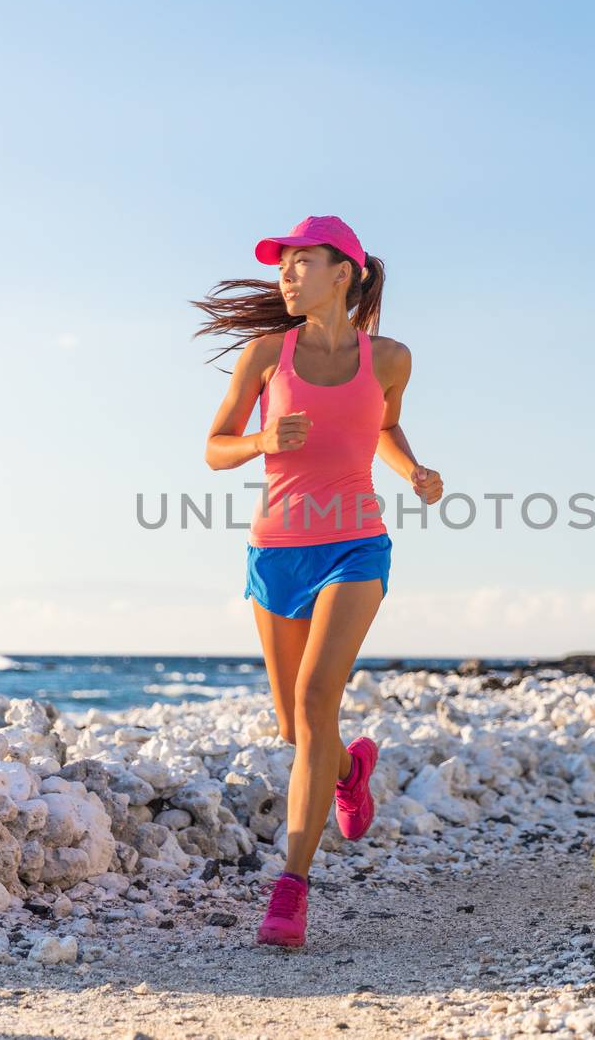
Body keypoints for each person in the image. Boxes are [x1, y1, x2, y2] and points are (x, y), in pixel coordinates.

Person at [199, 215, 443, 948]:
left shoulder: (392, 358)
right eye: (283, 264)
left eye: (301, 262)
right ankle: (350, 766)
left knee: (314, 699)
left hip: (355, 546)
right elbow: (214, 448)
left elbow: (383, 427)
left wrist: (415, 471)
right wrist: (261, 441)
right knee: (296, 725)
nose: (286, 274)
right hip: (276, 553)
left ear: (344, 272)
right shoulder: (267, 353)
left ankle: (291, 888)